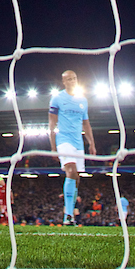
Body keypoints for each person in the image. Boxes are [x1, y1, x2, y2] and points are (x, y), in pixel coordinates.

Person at [48, 70, 96, 226]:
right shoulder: (57, 98)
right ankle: (68, 215)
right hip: (63, 140)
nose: (72, 81)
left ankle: (71, 214)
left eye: (74, 78)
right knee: (71, 171)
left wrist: (91, 143)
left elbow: (86, 123)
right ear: (63, 82)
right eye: (69, 79)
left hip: (78, 143)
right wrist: (53, 146)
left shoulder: (83, 100)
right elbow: (51, 123)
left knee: (77, 177)